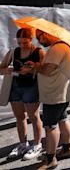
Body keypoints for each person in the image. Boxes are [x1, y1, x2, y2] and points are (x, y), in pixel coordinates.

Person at [33, 29, 70, 169]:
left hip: (55, 94)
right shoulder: (62, 46)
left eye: (39, 38)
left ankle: (50, 159)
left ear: (45, 34)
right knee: (63, 118)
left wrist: (36, 66)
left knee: (50, 125)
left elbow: (48, 69)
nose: (39, 41)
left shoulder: (58, 47)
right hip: (61, 92)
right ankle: (67, 148)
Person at [0, 28, 44, 160]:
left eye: (25, 42)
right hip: (15, 87)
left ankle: (37, 145)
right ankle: (23, 144)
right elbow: (1, 69)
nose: (22, 45)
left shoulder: (39, 52)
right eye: (20, 43)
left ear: (31, 39)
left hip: (31, 87)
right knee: (19, 117)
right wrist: (7, 70)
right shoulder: (14, 51)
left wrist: (31, 70)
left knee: (34, 117)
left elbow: (45, 71)